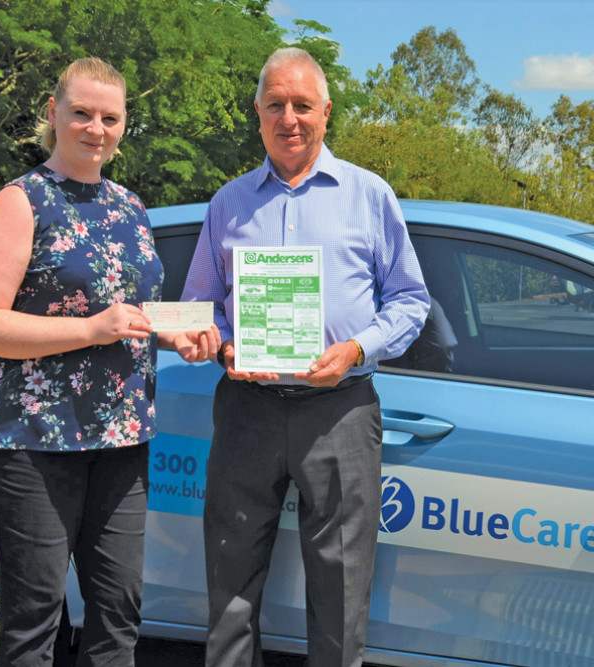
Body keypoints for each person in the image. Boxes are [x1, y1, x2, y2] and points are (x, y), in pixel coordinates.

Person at [0, 57, 219, 666]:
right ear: (53, 114)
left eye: (109, 117)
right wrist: (88, 329)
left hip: (122, 434)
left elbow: (130, 315)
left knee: (118, 613)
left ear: (124, 125)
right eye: (81, 113)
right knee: (36, 616)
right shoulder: (20, 202)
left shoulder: (130, 207)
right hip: (32, 438)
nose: (95, 128)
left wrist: (173, 336)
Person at [181, 47, 430, 667]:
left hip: (340, 411)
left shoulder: (369, 196)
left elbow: (409, 302)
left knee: (340, 587)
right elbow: (199, 305)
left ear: (326, 111)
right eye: (275, 105)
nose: (288, 118)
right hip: (247, 408)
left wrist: (355, 349)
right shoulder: (229, 203)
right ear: (258, 114)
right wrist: (225, 343)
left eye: (301, 105)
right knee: (230, 579)